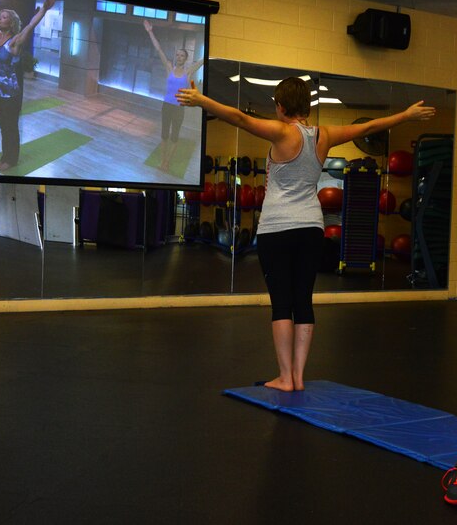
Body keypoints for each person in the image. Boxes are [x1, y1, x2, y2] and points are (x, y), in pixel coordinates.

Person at [176, 77, 435, 391]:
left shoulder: (281, 132)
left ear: (281, 107)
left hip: (277, 228)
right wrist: (406, 115)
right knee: (303, 301)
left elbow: (240, 119)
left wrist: (201, 101)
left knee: (281, 303)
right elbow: (368, 128)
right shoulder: (324, 135)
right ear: (307, 106)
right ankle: (298, 377)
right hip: (312, 227)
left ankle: (285, 377)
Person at [0, 0, 57, 171]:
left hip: (11, 95)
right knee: (3, 127)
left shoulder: (15, 42)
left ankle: (11, 159)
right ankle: (5, 156)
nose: (0, 18)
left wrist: (44, 9)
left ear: (11, 22)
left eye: (4, 17)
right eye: (0, 16)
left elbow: (31, 25)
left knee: (11, 127)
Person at [144, 20, 204, 172]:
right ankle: (163, 161)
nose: (179, 57)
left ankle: (167, 162)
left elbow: (202, 60)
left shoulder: (188, 72)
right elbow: (158, 49)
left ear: (185, 58)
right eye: (177, 54)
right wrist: (150, 32)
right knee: (164, 135)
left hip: (178, 108)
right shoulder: (169, 68)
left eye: (182, 55)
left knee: (174, 137)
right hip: (167, 106)